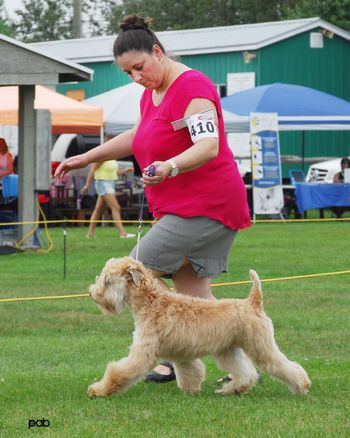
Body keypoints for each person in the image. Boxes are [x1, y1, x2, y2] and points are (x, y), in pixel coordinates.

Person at [55, 14, 251, 383]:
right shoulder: (151, 94)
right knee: (196, 300)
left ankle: (167, 355)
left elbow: (208, 145)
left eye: (139, 67)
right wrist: (86, 157)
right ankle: (239, 371)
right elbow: (136, 136)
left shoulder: (193, 87)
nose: (136, 78)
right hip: (183, 208)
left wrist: (171, 166)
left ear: (157, 53)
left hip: (205, 206)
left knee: (133, 270)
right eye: (128, 73)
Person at [81, 158, 135, 239]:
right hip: (103, 184)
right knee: (116, 207)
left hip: (110, 184)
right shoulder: (101, 157)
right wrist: (87, 185)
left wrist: (125, 171)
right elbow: (92, 170)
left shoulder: (112, 158)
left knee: (98, 209)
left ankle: (90, 234)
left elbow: (114, 173)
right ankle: (123, 233)